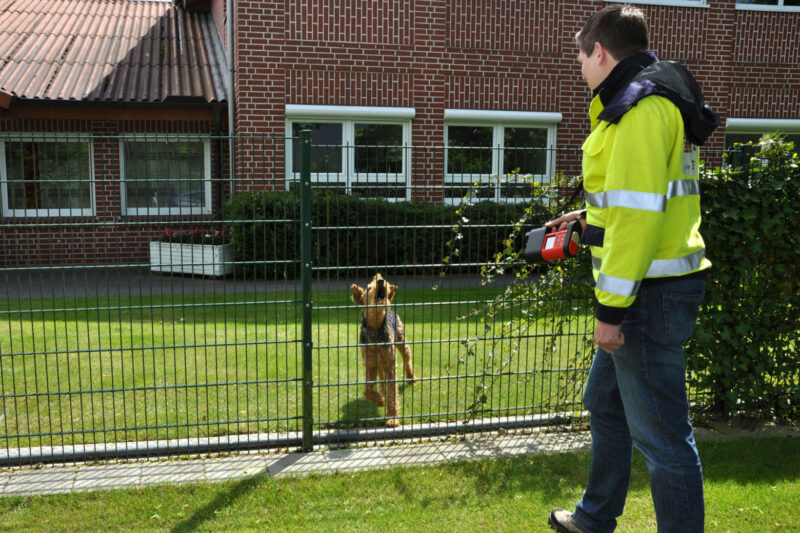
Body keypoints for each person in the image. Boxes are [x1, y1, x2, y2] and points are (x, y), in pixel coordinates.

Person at [545, 5, 719, 533]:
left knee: (665, 440)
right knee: (603, 401)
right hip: (654, 288)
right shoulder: (638, 99)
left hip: (646, 296)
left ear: (601, 51)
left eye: (580, 55)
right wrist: (585, 216)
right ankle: (595, 518)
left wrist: (611, 312)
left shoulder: (639, 108)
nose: (578, 67)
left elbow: (638, 223)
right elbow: (636, 200)